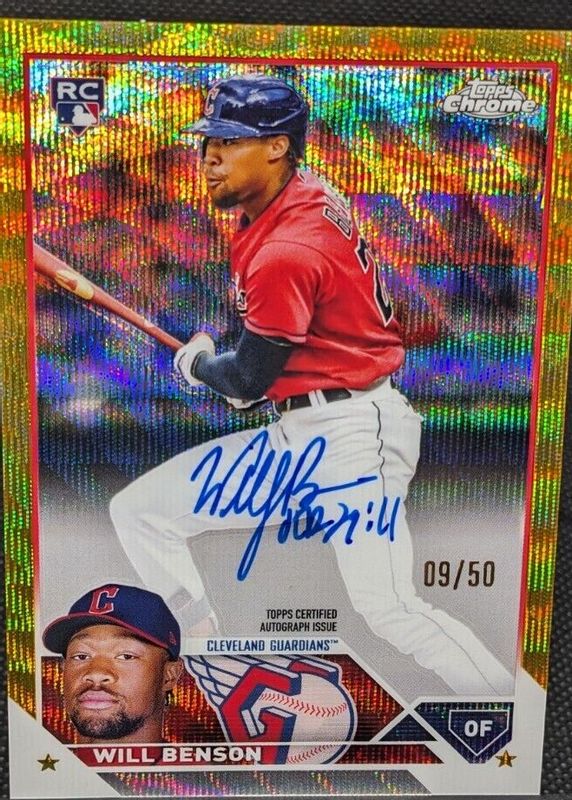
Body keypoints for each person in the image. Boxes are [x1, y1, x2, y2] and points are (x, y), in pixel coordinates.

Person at [110, 73, 513, 695]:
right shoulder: (297, 196)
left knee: (390, 609)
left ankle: (500, 710)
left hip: (352, 435)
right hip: (303, 428)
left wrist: (200, 366)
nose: (209, 157)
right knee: (140, 512)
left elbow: (247, 375)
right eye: (207, 141)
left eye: (229, 141)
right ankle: (202, 644)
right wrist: (239, 376)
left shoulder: (287, 247)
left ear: (278, 147)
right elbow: (260, 369)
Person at [43, 583, 183, 743]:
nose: (96, 674)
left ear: (169, 676)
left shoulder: (201, 761)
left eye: (126, 656)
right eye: (81, 656)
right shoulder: (35, 758)